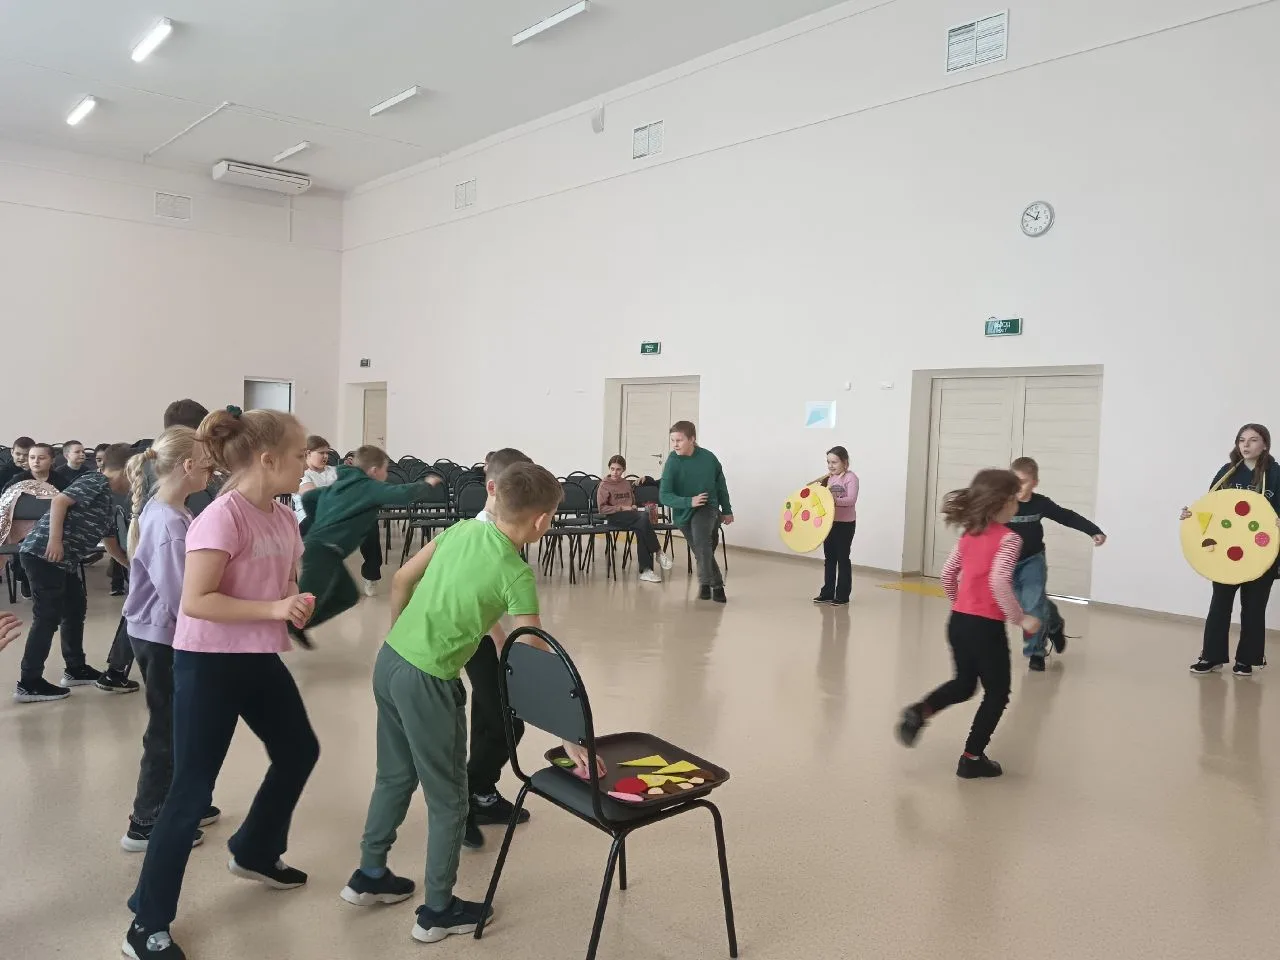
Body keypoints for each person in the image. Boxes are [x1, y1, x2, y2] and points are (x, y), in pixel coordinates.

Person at [341, 461, 599, 944]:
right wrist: (568, 732)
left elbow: (403, 580)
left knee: (394, 776)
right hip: (427, 682)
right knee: (450, 801)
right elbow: (531, 659)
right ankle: (437, 911)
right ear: (543, 521)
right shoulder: (516, 573)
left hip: (390, 663)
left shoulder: (460, 530)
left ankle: (369, 875)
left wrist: (402, 638)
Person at [123, 407, 319, 960]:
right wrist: (274, 607)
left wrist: (293, 600)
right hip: (207, 663)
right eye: (299, 455)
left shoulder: (283, 517)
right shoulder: (219, 517)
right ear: (268, 459)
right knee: (190, 791)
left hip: (258, 656)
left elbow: (283, 581)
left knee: (298, 750)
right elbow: (197, 601)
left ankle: (254, 849)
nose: (306, 464)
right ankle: (146, 921)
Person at [895, 469, 1041, 779]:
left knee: (964, 684)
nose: (1017, 505)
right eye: (1014, 499)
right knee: (997, 693)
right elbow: (999, 581)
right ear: (1002, 502)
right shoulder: (1009, 539)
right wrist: (1021, 618)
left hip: (958, 622)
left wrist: (959, 605)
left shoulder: (969, 534)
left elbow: (948, 574)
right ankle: (972, 758)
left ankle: (920, 711)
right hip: (986, 628)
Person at [119, 429, 223, 853]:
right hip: (162, 638)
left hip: (164, 633)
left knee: (184, 722)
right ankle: (145, 821)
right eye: (208, 464)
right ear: (187, 466)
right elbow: (185, 600)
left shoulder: (173, 511)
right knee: (167, 726)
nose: (212, 471)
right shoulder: (167, 523)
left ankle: (184, 801)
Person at [12, 443, 135, 703]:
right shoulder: (96, 481)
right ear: (126, 470)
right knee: (47, 616)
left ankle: (75, 668)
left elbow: (110, 541)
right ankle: (29, 682)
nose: (136, 482)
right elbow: (60, 502)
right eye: (135, 474)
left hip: (62, 562)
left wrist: (128, 564)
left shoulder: (110, 500)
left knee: (75, 608)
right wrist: (55, 541)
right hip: (43, 555)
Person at [460, 448, 535, 849]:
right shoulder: (480, 530)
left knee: (488, 716)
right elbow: (475, 594)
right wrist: (501, 636)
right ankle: (468, 795)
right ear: (494, 487)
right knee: (509, 722)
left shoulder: (503, 524)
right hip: (474, 636)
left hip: (482, 634)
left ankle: (481, 793)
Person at [294, 445, 436, 644]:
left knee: (348, 596)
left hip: (328, 551)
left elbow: (310, 497)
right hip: (322, 549)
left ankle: (299, 626)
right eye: (385, 470)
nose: (386, 475)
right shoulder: (369, 486)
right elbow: (402, 493)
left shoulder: (341, 483)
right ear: (374, 471)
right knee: (304, 602)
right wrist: (427, 485)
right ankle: (286, 628)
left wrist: (317, 518)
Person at [1185, 423, 1280, 677]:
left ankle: (1246, 660)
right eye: (1241, 440)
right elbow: (1210, 507)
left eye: (1253, 440)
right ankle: (1211, 657)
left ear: (1265, 445)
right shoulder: (1228, 471)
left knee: (1254, 607)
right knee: (1220, 605)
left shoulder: (1276, 474)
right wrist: (1191, 515)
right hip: (1226, 552)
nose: (1246, 445)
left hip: (1261, 553)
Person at [1008, 457, 1106, 671]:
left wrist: (1093, 530)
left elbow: (1066, 516)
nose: (1017, 487)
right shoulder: (1001, 502)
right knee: (1030, 603)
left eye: (1023, 481)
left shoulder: (1040, 503)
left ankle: (1036, 652)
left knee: (1033, 605)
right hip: (1006, 564)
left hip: (1032, 561)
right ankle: (1054, 624)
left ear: (1035, 482)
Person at [660, 421, 733, 602]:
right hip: (683, 512)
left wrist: (727, 510)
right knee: (701, 549)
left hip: (708, 507)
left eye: (679, 440)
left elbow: (721, 485)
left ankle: (706, 584)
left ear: (692, 439)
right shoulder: (672, 462)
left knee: (701, 542)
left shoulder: (708, 458)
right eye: (672, 440)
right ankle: (715, 585)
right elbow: (664, 496)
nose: (675, 444)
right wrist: (688, 501)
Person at [597, 455, 671, 583]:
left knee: (642, 526)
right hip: (615, 517)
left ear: (623, 470)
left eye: (618, 469)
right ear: (609, 468)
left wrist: (633, 506)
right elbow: (602, 509)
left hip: (631, 516)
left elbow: (631, 501)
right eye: (612, 469)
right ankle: (658, 551)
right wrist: (622, 508)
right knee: (643, 519)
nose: (615, 472)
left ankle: (647, 571)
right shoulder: (604, 485)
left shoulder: (626, 483)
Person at [811, 446, 859, 605]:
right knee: (829, 558)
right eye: (828, 462)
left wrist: (833, 500)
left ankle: (842, 595)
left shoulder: (851, 478)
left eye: (834, 462)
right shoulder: (829, 479)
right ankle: (827, 592)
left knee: (842, 558)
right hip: (830, 524)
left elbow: (851, 500)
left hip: (845, 525)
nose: (831, 466)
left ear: (844, 462)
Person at [6, 443, 70, 492]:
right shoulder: (18, 481)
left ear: (52, 460)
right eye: (32, 457)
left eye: (41, 458)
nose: (36, 461)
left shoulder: (61, 481)